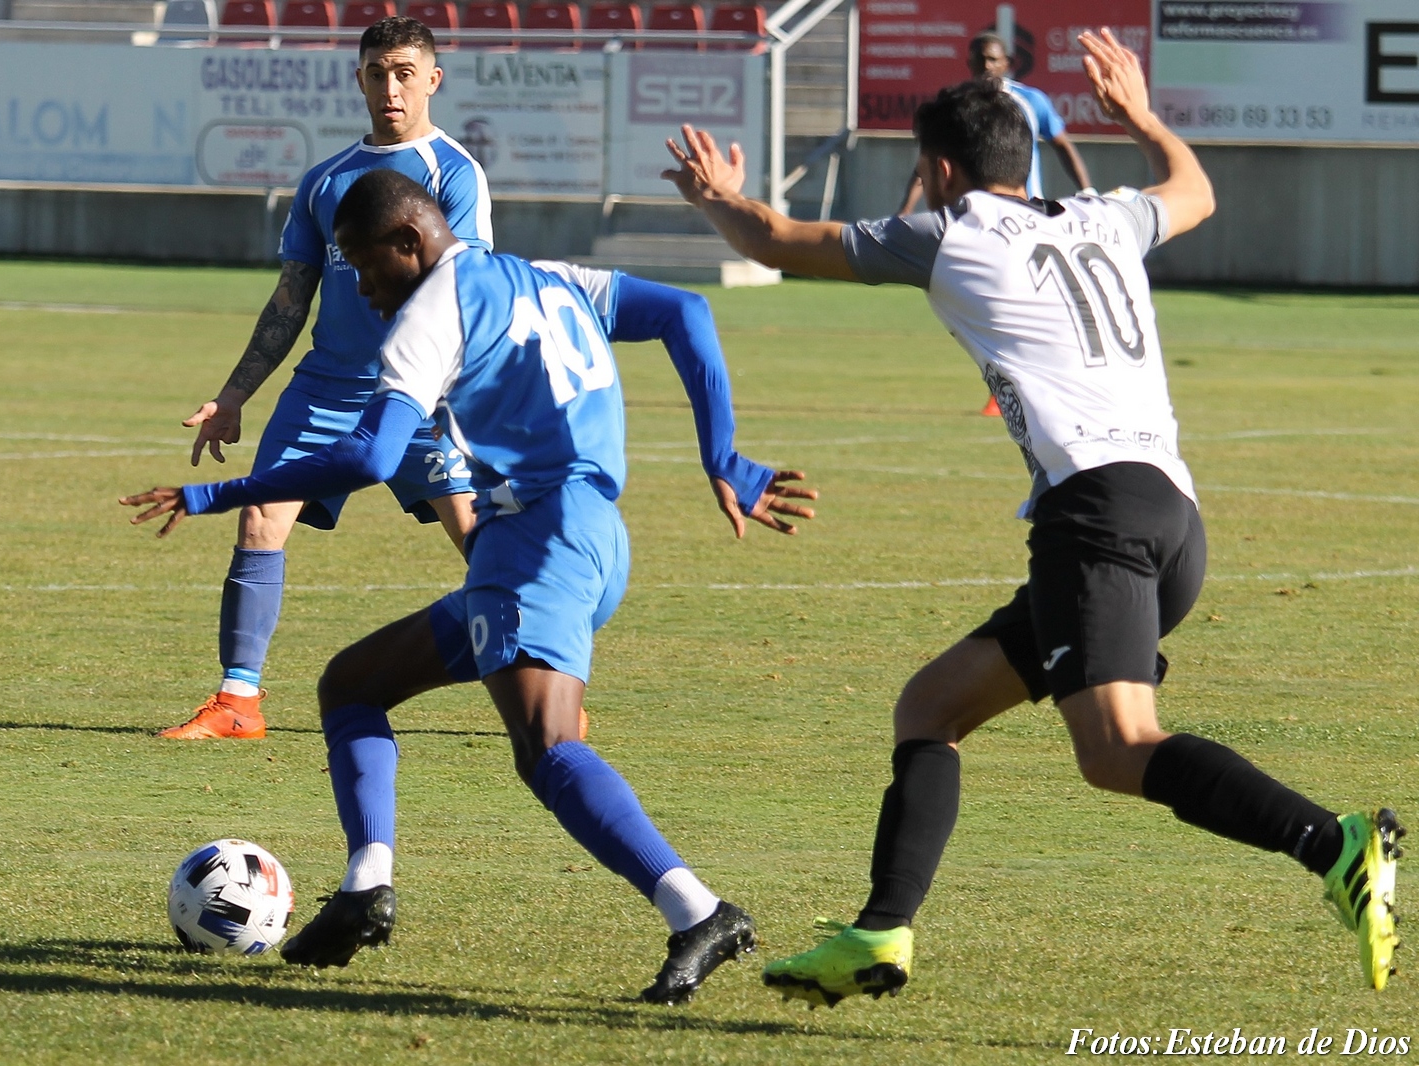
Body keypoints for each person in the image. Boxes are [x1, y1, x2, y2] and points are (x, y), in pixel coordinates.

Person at [661, 28, 1403, 1002]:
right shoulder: (1105, 216)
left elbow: (773, 240)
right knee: (931, 707)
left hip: (1093, 517)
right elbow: (1196, 190)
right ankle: (880, 932)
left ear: (934, 168)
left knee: (1116, 748)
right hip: (1170, 514)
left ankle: (1334, 844)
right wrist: (1139, 116)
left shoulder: (948, 233)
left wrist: (716, 197)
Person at [122, 169, 820, 1002]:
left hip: (538, 541)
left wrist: (219, 493)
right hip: (581, 538)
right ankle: (364, 886)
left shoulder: (428, 314)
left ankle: (698, 910)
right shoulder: (546, 275)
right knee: (352, 685)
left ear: (408, 241)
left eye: (363, 264)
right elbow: (685, 313)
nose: (364, 288)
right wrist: (723, 456)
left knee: (550, 748)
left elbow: (372, 459)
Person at [159, 16, 493, 741]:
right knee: (260, 519)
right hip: (325, 392)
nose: (391, 87)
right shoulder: (326, 180)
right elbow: (290, 298)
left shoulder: (455, 175)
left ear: (433, 79)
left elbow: (467, 294)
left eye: (406, 71)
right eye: (377, 72)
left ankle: (542, 679)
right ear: (360, 79)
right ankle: (237, 701)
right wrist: (235, 395)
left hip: (424, 394)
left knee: (483, 543)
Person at [897, 32, 1091, 214]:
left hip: (1027, 210)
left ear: (1006, 64)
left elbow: (1063, 145)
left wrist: (1087, 190)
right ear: (969, 62)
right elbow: (930, 158)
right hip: (973, 214)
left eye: (993, 60)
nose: (987, 66)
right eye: (980, 59)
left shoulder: (1030, 101)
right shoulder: (955, 105)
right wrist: (906, 209)